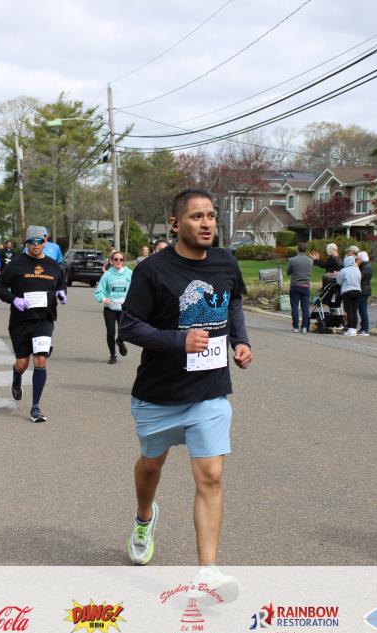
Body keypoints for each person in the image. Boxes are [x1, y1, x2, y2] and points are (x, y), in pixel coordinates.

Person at [120, 188, 252, 604]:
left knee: (211, 476)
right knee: (151, 465)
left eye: (211, 215)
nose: (207, 223)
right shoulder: (152, 270)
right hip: (158, 395)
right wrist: (179, 341)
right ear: (176, 224)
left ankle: (208, 570)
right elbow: (129, 325)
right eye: (197, 216)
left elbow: (232, 304)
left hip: (209, 393)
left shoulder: (226, 262)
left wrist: (240, 341)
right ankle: (145, 517)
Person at [0, 225, 67, 423]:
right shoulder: (16, 264)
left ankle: (35, 407)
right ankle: (16, 376)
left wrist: (62, 294)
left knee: (40, 360)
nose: (36, 245)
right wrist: (14, 299)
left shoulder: (53, 266)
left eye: (39, 241)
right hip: (20, 321)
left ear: (45, 242)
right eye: (32, 242)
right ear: (26, 243)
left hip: (44, 319)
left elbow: (61, 285)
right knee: (22, 363)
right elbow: (0, 287)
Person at [94, 250, 132, 363]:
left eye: (121, 259)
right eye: (116, 259)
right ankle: (113, 355)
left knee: (124, 331)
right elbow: (99, 291)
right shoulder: (107, 274)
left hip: (124, 308)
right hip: (110, 308)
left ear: (123, 261)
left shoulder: (129, 273)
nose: (118, 261)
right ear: (111, 261)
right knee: (111, 332)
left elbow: (136, 288)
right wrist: (104, 299)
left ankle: (120, 341)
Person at [286, 242, 313, 333]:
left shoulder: (292, 260)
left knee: (294, 306)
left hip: (295, 285)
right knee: (305, 307)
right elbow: (309, 272)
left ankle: (296, 327)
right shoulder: (310, 261)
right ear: (305, 250)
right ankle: (305, 327)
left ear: (298, 249)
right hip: (305, 285)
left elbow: (288, 272)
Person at [337, 255, 362, 336]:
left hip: (347, 292)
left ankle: (350, 329)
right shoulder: (357, 270)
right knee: (354, 311)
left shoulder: (344, 270)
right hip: (357, 291)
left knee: (349, 311)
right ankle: (354, 329)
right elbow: (359, 280)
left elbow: (339, 282)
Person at [357, 250, 373, 336]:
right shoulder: (367, 266)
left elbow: (359, 277)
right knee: (362, 309)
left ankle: (365, 329)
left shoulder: (364, 267)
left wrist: (356, 266)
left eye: (358, 259)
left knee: (363, 310)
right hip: (365, 289)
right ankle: (363, 327)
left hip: (363, 290)